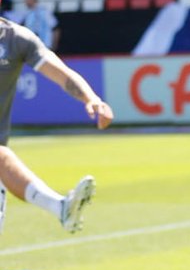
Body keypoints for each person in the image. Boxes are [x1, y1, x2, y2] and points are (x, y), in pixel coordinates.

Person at [0, 14, 112, 234]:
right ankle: (60, 207)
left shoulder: (17, 39)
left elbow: (63, 75)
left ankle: (61, 208)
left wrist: (92, 99)